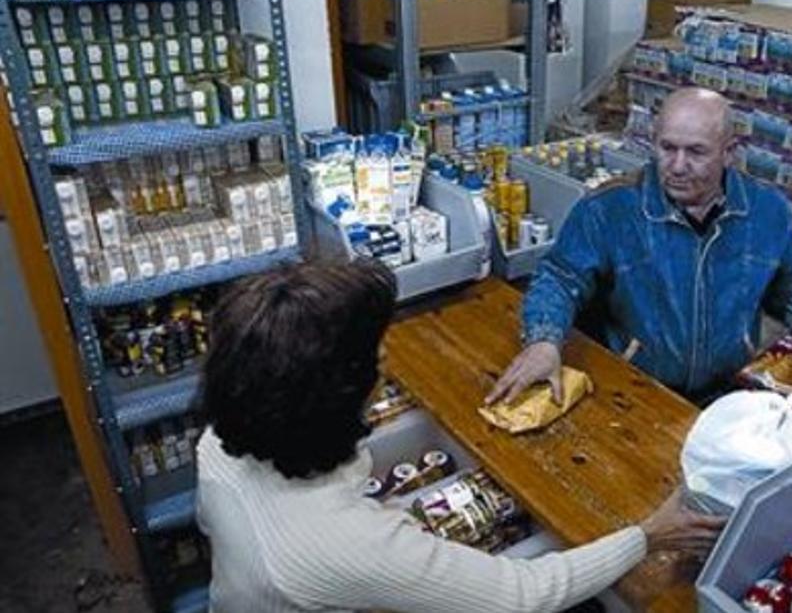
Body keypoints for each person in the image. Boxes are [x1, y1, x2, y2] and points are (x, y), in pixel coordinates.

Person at [196, 259, 724, 613]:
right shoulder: (344, 544)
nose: (383, 359)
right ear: (331, 399)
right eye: (371, 353)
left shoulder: (219, 441)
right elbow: (525, 595)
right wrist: (649, 534)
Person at [490, 88, 792, 407]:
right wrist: (544, 340)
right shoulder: (610, 208)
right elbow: (560, 277)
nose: (678, 166)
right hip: (635, 390)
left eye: (696, 151)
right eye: (668, 148)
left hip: (730, 391)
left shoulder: (768, 211)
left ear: (729, 152)